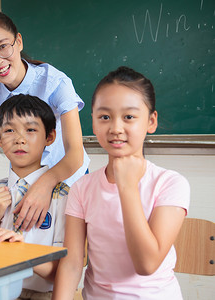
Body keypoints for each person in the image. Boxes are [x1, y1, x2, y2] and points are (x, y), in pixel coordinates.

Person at [52, 67, 190, 300]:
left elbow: (146, 265)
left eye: (129, 117)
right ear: (94, 124)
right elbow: (73, 264)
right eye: (105, 117)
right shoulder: (81, 188)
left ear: (151, 121)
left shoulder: (170, 183)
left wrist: (127, 186)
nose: (116, 128)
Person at [0, 11, 89, 232]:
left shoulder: (56, 82)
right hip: (25, 177)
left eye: (3, 47)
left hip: (66, 176)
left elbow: (76, 153)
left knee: (59, 247)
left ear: (18, 41)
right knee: (22, 241)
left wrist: (45, 185)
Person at [0, 94, 68, 299]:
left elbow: (62, 271)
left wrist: (21, 252)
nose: (19, 139)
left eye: (31, 130)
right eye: (9, 130)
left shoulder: (62, 195)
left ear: (50, 137)